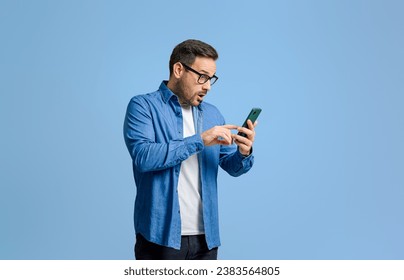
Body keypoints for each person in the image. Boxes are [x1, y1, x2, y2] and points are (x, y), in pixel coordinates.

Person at [123, 39, 257, 260]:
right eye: (202, 76)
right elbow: (143, 157)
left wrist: (243, 152)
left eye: (211, 79)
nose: (207, 86)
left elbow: (232, 167)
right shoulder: (143, 106)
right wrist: (200, 140)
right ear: (178, 69)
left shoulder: (213, 114)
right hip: (160, 237)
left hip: (206, 239)